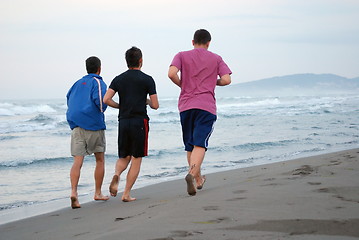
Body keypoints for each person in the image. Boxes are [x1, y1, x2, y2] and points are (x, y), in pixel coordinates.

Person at [168, 29, 232, 196]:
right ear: (209, 43)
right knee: (200, 144)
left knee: (190, 145)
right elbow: (227, 79)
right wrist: (213, 81)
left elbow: (171, 73)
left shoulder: (181, 55)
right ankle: (192, 174)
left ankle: (197, 179)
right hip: (205, 106)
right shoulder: (216, 58)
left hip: (186, 105)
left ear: (192, 41)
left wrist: (183, 85)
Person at [104, 46, 159, 202]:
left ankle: (116, 175)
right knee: (136, 158)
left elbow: (106, 99)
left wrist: (120, 106)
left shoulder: (118, 79)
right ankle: (126, 194)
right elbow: (155, 105)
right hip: (139, 122)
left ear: (126, 61)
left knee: (124, 156)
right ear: (141, 60)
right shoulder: (147, 79)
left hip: (123, 121)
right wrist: (146, 101)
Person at [66, 56, 109, 209]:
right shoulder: (97, 81)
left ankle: (73, 193)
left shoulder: (76, 84)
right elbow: (101, 102)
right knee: (100, 159)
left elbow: (69, 99)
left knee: (77, 162)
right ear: (99, 68)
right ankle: (97, 192)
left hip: (76, 126)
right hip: (94, 125)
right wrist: (103, 109)